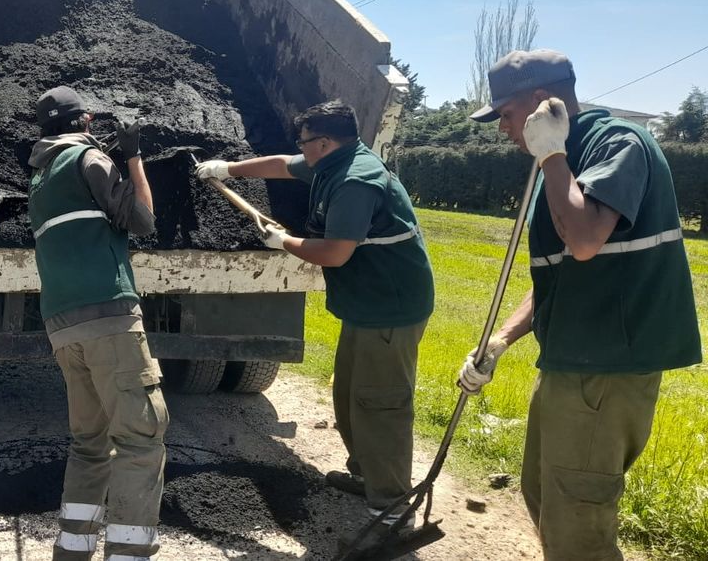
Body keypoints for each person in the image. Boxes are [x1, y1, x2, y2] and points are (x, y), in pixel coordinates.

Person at [458, 49, 701, 560]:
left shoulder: (616, 143)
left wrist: (551, 155)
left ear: (542, 100)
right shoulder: (564, 161)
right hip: (574, 361)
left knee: (577, 522)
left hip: (608, 365)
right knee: (546, 497)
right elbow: (561, 273)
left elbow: (586, 238)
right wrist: (501, 340)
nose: (503, 129)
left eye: (505, 113)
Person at [195, 100, 434, 542]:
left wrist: (284, 242)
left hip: (391, 308)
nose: (299, 150)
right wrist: (228, 169)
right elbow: (281, 166)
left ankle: (392, 510)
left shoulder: (355, 179)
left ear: (324, 142)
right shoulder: (330, 162)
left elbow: (335, 252)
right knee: (349, 396)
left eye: (305, 143)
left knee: (380, 405)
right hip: (367, 305)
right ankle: (369, 477)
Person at [27, 86, 169, 561]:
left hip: (62, 325)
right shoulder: (88, 160)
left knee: (89, 440)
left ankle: (73, 547)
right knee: (140, 438)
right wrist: (132, 158)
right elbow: (144, 219)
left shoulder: (41, 175)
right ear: (85, 122)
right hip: (108, 314)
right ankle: (128, 554)